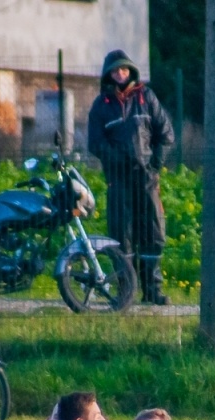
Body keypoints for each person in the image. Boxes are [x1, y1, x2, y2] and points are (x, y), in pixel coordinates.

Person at [86, 49, 175, 305]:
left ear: (131, 71)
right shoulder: (100, 106)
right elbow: (96, 143)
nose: (120, 74)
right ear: (109, 75)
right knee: (121, 236)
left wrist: (155, 165)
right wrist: (117, 160)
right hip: (118, 180)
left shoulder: (146, 97)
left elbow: (166, 134)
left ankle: (152, 291)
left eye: (124, 69)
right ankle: (126, 293)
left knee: (153, 234)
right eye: (115, 70)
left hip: (147, 179)